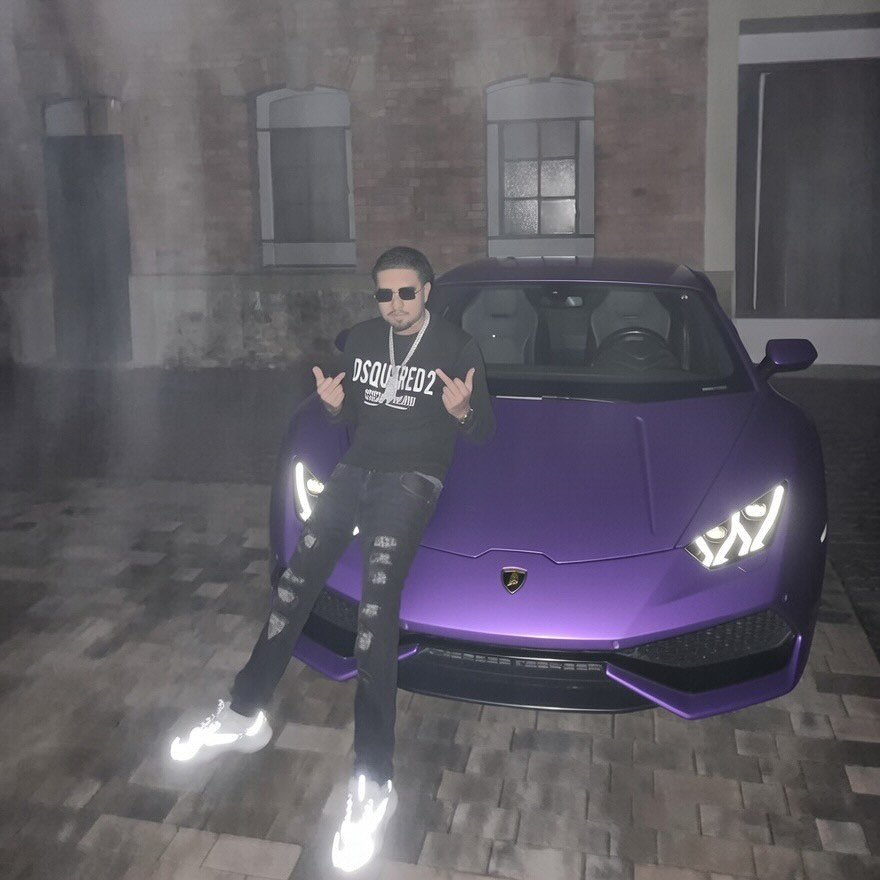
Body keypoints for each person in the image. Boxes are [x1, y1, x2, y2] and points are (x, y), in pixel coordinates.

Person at [169, 246, 494, 872]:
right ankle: (243, 713)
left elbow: (483, 430)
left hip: (412, 481)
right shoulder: (364, 341)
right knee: (293, 587)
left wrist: (463, 411)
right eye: (384, 294)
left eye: (406, 292)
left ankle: (374, 780)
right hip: (356, 471)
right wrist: (334, 406)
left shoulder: (457, 347)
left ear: (427, 291)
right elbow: (355, 419)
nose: (394, 305)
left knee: (374, 619)